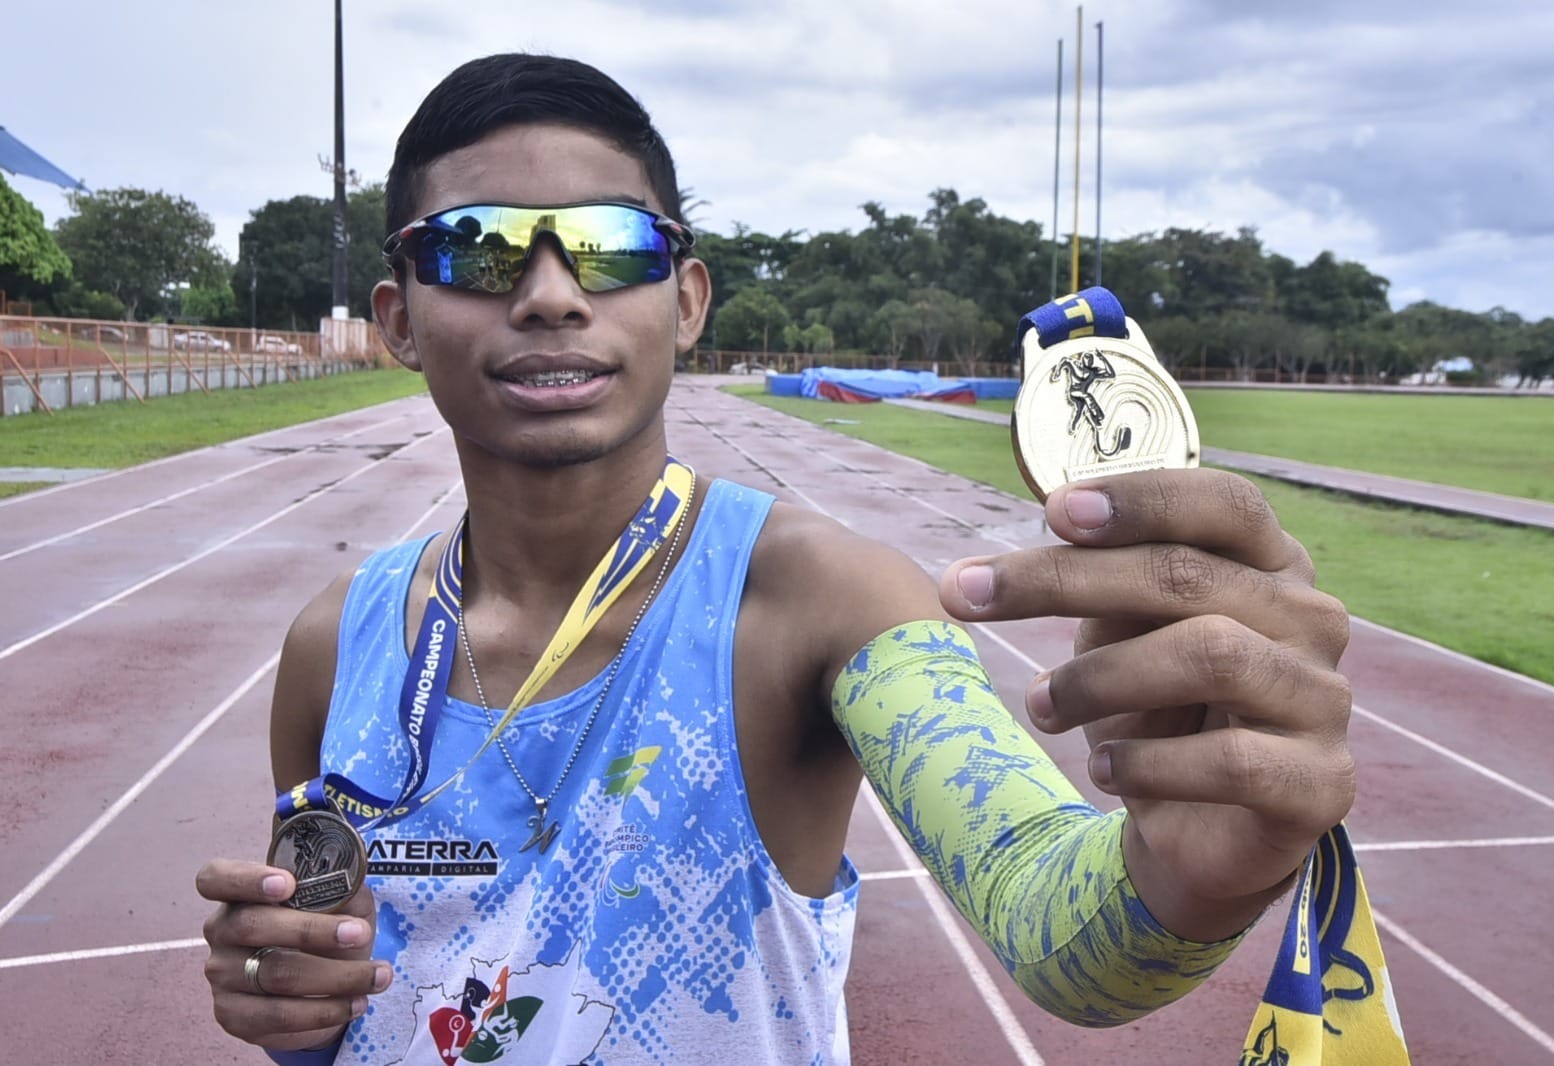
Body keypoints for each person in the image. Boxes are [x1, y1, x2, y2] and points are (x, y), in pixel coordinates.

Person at [197, 54, 1355, 1065]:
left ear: (684, 300)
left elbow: (1068, 939)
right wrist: (289, 1007)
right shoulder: (331, 646)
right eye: (479, 251)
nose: (550, 296)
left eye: (610, 247)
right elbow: (332, 1005)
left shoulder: (815, 601)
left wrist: (1191, 880)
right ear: (398, 317)